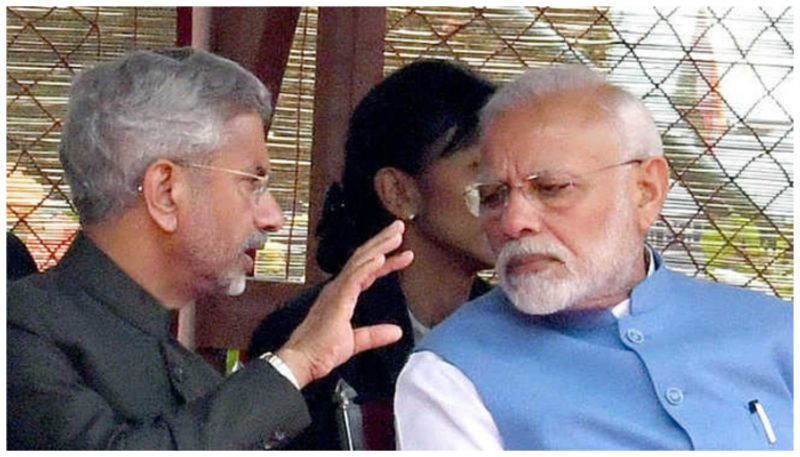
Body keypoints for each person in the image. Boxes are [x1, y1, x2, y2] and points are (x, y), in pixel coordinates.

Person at [6, 47, 415, 450]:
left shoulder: (196, 377)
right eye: (252, 183)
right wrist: (297, 361)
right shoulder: (21, 331)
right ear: (166, 192)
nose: (272, 217)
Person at [394, 65, 792, 450]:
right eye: (493, 196)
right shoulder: (452, 372)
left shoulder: (778, 333)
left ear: (646, 191)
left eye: (552, 187)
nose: (513, 222)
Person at [247, 59, 497, 449]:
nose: (504, 191)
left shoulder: (518, 330)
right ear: (399, 192)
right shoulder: (305, 337)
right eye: (481, 169)